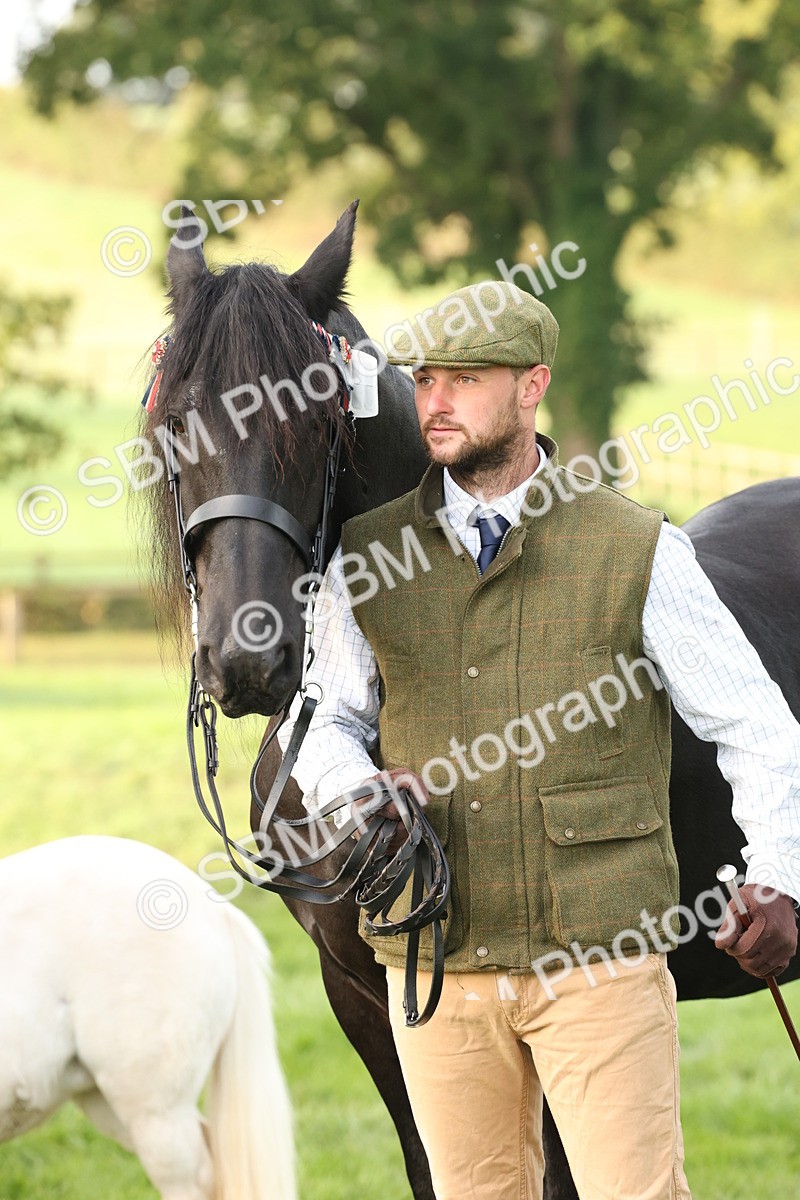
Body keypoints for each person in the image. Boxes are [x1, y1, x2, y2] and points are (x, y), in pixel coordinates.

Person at [277, 281, 800, 1200]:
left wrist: (778, 877)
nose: (433, 402)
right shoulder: (365, 559)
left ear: (532, 387)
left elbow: (752, 722)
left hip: (602, 964)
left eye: (465, 379)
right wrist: (355, 794)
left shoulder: (635, 546)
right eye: (424, 379)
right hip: (437, 971)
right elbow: (323, 722)